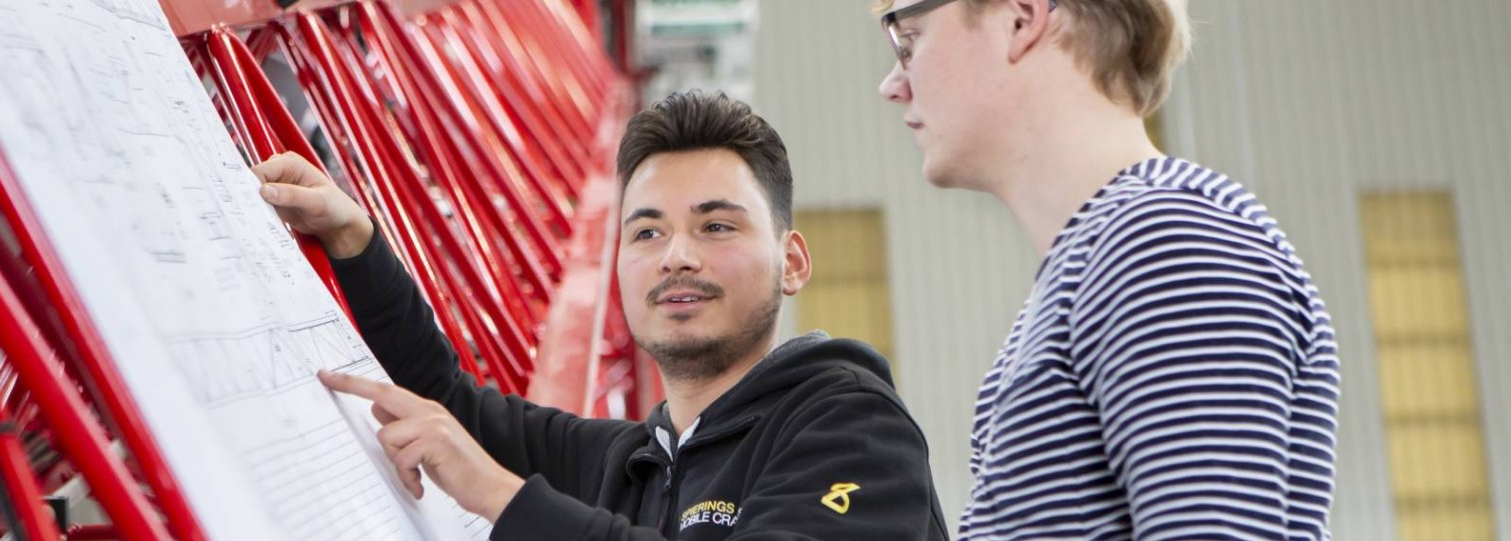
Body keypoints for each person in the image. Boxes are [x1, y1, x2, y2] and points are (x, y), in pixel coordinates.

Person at [253, 90, 947, 540]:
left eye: (716, 226)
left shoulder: (856, 428)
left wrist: (501, 494)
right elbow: (448, 404)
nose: (676, 255)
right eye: (646, 232)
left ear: (792, 261)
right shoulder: (632, 465)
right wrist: (356, 242)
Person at [871, 0, 1341, 538]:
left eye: (909, 41)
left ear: (1020, 19)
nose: (893, 84)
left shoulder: (1165, 243)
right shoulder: (1097, 266)